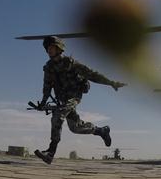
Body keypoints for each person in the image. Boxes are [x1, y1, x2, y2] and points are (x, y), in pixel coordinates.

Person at [33, 36, 125, 164]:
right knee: (75, 127)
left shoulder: (72, 64)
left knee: (58, 115)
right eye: (47, 48)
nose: (49, 50)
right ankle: (101, 131)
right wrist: (42, 103)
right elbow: (47, 87)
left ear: (59, 48)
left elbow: (92, 74)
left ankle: (50, 152)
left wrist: (111, 83)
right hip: (62, 99)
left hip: (74, 96)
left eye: (51, 47)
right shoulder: (49, 67)